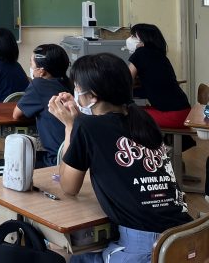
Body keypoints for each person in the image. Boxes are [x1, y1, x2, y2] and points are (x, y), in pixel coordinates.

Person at [48, 53, 191, 263]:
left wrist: (70, 126)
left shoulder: (86, 126)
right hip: (185, 235)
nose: (75, 93)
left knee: (66, 253)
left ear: (93, 95)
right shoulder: (143, 118)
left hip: (146, 247)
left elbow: (69, 186)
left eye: (77, 88)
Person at [12, 44, 72, 167]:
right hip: (72, 156)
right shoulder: (69, 84)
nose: (30, 67)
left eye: (31, 64)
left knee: (4, 164)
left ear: (41, 71)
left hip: (55, 161)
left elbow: (16, 114)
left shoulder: (39, 84)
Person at [126, 23, 191, 129]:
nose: (130, 39)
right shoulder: (159, 55)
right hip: (183, 112)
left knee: (125, 115)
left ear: (143, 40)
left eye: (133, 36)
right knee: (134, 109)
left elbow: (125, 81)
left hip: (173, 116)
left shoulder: (141, 53)